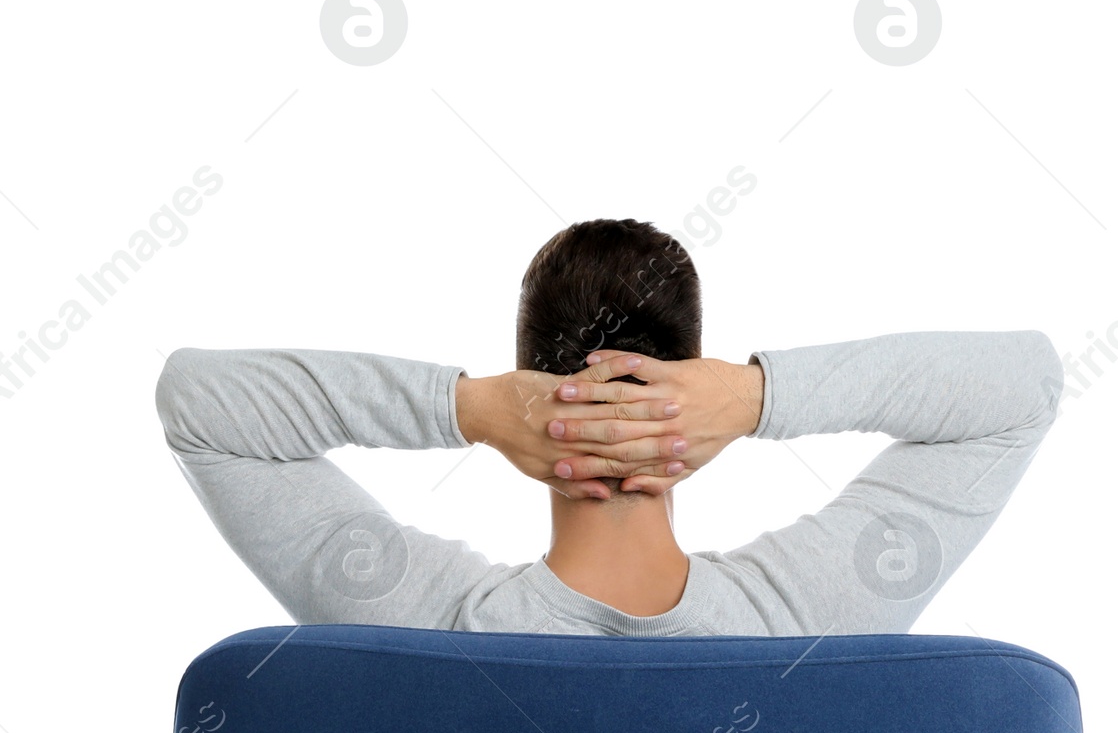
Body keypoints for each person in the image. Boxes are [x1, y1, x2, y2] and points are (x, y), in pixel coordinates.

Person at [155, 218, 1061, 637]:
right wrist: (753, 398)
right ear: (691, 378)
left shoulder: (424, 622)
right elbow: (1023, 387)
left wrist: (471, 408)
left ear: (532, 388)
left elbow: (199, 404)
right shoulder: (806, 623)